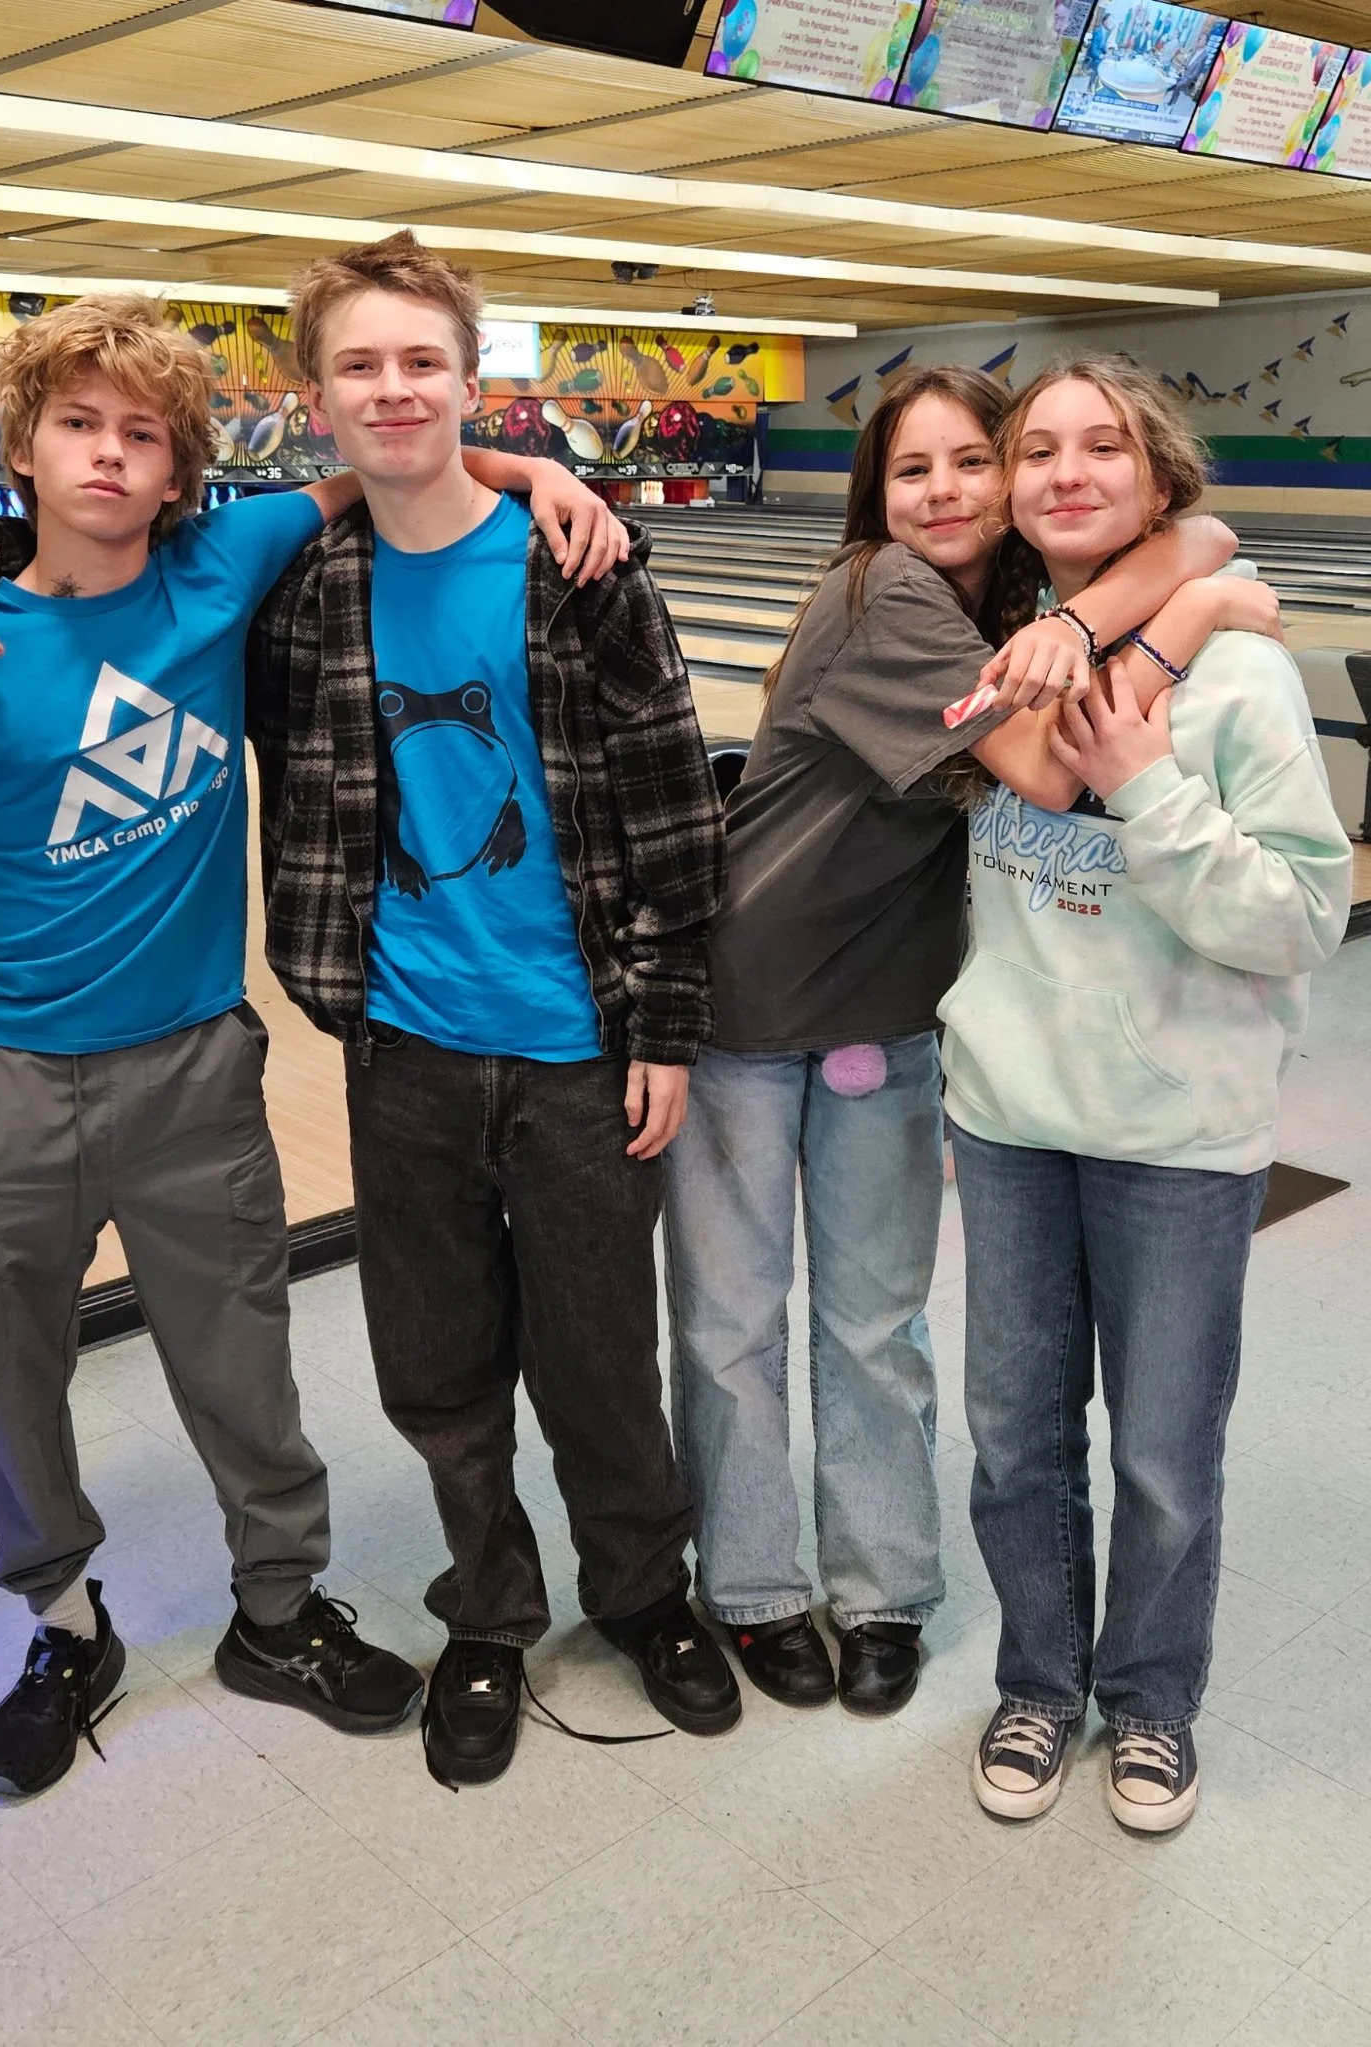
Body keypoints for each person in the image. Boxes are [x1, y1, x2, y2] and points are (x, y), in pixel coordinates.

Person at [0, 291, 622, 1802]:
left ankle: (275, 1619)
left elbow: (378, 466)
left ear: (178, 473)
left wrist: (542, 470)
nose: (105, 454)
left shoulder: (229, 565)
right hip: (12, 1075)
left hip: (192, 1070)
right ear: (23, 446)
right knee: (15, 1376)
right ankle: (64, 1623)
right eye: (77, 425)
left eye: (139, 435)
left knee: (246, 1369)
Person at [662, 361, 1282, 1721]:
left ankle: (882, 1587)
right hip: (749, 1006)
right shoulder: (883, 590)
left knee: (877, 1324)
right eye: (910, 469)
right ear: (874, 497)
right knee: (730, 1324)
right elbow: (1052, 770)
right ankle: (758, 1587)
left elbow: (1207, 526)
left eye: (970, 463)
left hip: (891, 1011)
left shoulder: (1006, 611)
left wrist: (1181, 581)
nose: (943, 491)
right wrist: (1193, 609)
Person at [235, 231, 742, 1788]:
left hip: (584, 1038)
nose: (393, 388)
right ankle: (490, 1607)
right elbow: (89, 558)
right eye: (360, 364)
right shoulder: (300, 581)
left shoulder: (579, 560)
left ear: (472, 380)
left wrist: (663, 1019)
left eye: (422, 360)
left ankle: (644, 1591)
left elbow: (670, 806)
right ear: (317, 396)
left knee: (599, 1350)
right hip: (405, 1043)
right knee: (437, 1355)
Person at [942, 357, 1352, 1832]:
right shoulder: (991, 650)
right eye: (1035, 447)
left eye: (1100, 445)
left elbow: (1308, 917)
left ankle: (1152, 1703)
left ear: (1156, 477)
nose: (1064, 471)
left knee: (1166, 1451)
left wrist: (1158, 793)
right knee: (1017, 1439)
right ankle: (1040, 1686)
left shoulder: (1243, 678)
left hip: (1180, 1135)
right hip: (1006, 1119)